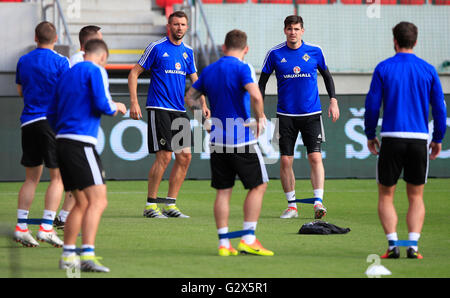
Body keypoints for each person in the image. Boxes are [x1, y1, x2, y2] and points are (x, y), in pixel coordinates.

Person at [185, 29, 274, 256]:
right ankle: (248, 238)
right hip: (240, 139)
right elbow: (255, 95)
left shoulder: (210, 70)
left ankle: (224, 243)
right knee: (259, 185)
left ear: (223, 48)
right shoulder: (243, 68)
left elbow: (190, 98)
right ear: (246, 49)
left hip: (216, 140)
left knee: (223, 192)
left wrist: (203, 114)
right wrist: (259, 118)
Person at [364, 21, 447, 259]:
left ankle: (392, 245)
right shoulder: (428, 69)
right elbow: (440, 108)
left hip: (391, 137)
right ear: (416, 41)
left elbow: (371, 105)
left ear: (395, 40)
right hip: (419, 139)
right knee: (416, 196)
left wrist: (370, 133)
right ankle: (413, 245)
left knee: (386, 195)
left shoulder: (383, 68)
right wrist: (438, 137)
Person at [47, 39, 127, 272]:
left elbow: (51, 111)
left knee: (81, 202)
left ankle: (69, 256)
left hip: (62, 141)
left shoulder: (67, 74)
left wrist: (63, 130)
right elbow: (103, 104)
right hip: (81, 143)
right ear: (103, 57)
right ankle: (87, 256)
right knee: (98, 200)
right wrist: (117, 107)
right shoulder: (96, 70)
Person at [128, 10, 209, 218]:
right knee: (164, 156)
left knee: (185, 157)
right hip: (159, 108)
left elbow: (196, 81)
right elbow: (134, 73)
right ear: (169, 26)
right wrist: (135, 102)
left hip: (179, 110)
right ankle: (150, 205)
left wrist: (203, 104)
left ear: (187, 27)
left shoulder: (188, 52)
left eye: (182, 24)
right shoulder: (156, 48)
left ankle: (170, 205)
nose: (179, 27)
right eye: (175, 24)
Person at [258, 15, 339, 220]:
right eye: (289, 29)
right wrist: (259, 113)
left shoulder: (315, 51)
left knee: (315, 157)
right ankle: (292, 206)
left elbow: (327, 76)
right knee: (285, 160)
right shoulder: (275, 54)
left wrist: (334, 100)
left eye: (296, 29)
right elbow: (261, 83)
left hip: (312, 114)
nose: (292, 32)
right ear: (284, 30)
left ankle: (318, 201)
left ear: (303, 30)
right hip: (285, 115)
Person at [14, 21, 69, 248]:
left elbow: (20, 91)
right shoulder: (61, 61)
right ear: (55, 39)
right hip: (50, 123)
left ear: (35, 38)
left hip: (28, 122)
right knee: (58, 177)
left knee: (30, 179)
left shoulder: (23, 60)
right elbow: (67, 92)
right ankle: (46, 228)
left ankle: (21, 228)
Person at [53, 25, 103, 230]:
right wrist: (114, 106)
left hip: (68, 130)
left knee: (78, 189)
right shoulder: (85, 65)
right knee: (92, 195)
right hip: (78, 132)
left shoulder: (77, 63)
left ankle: (64, 219)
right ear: (90, 43)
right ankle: (64, 222)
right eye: (99, 39)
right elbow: (99, 102)